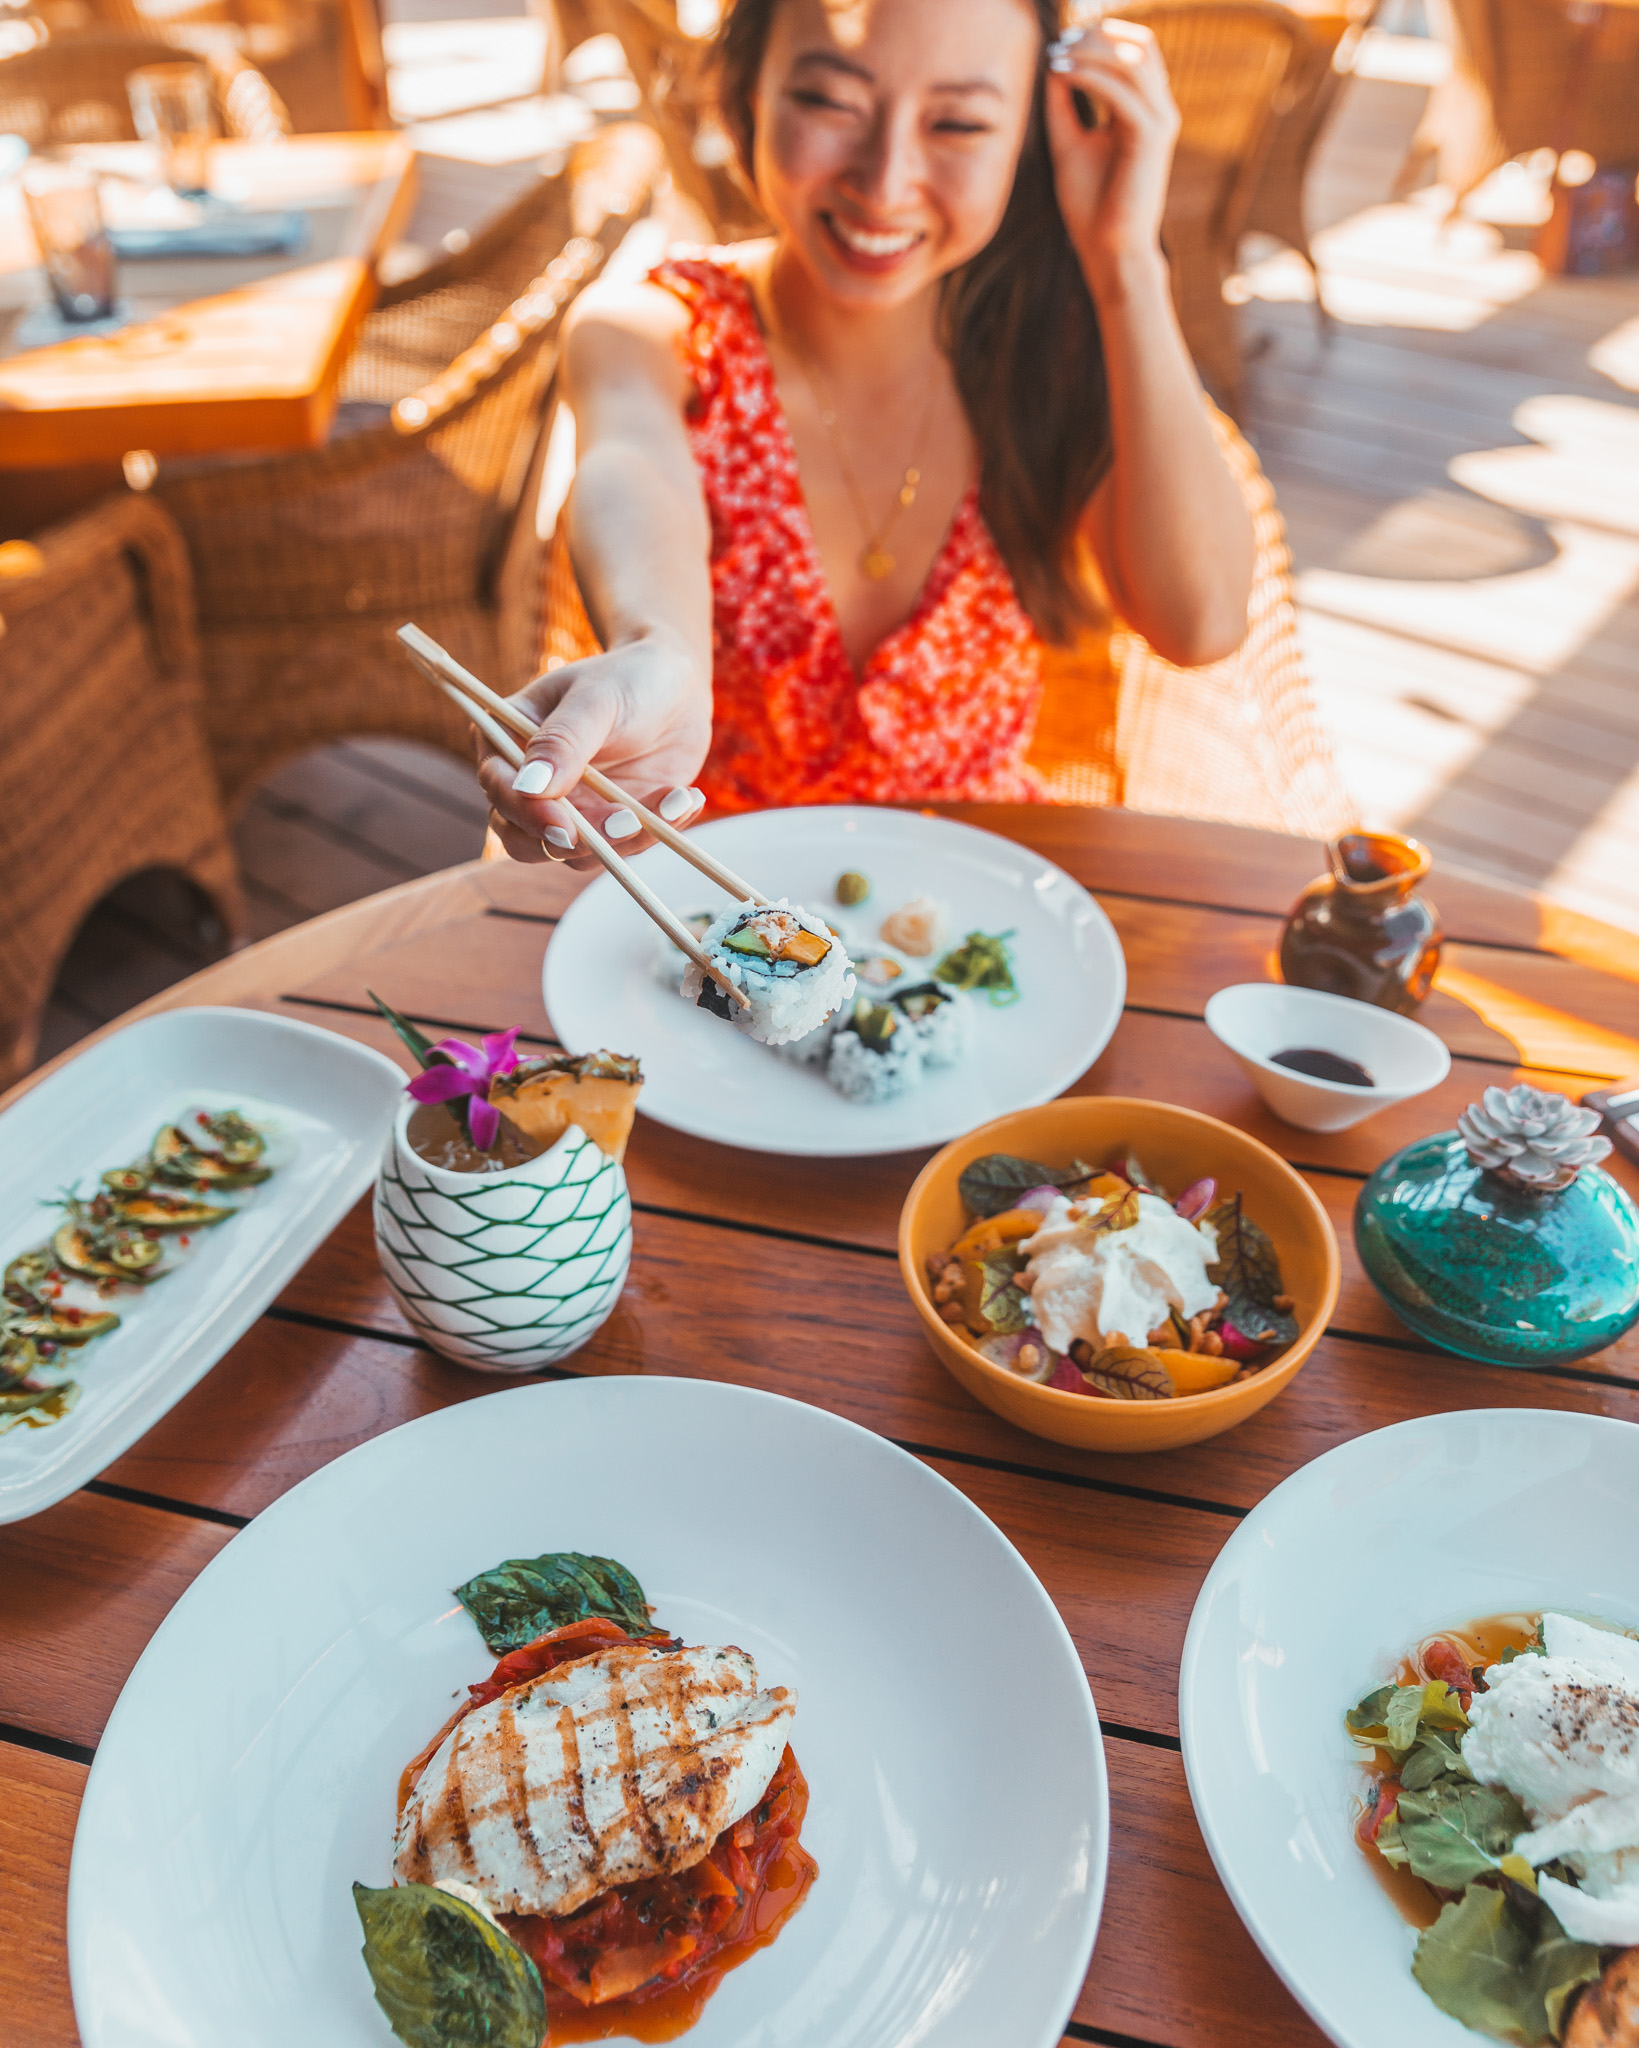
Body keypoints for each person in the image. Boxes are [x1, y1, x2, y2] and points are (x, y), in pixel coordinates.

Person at [482, 0, 1258, 867]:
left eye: (958, 123)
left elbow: (1202, 622)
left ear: (1027, 144)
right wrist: (658, 650)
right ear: (744, 97)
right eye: (829, 103)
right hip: (706, 903)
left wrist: (1122, 259)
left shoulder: (1047, 358)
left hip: (969, 914)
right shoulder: (656, 334)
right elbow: (631, 472)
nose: (884, 181)